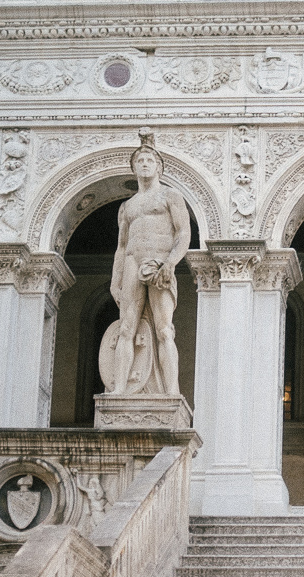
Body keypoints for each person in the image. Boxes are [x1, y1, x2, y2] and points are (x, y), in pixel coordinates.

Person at [104, 128, 191, 395]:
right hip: (132, 261)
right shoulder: (128, 206)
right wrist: (115, 280)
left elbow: (183, 233)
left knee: (165, 330)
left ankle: (172, 390)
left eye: (149, 161)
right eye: (139, 161)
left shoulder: (170, 196)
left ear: (159, 168)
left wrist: (171, 263)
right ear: (133, 168)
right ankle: (119, 389)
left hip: (159, 262)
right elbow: (121, 247)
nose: (144, 164)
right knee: (127, 328)